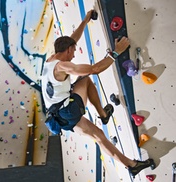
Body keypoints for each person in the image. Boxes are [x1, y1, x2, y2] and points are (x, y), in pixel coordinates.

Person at [41, 10, 155, 178]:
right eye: (73, 51)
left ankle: (131, 165)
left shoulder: (51, 60)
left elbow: (72, 39)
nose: (73, 55)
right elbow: (95, 69)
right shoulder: (63, 66)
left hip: (59, 118)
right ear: (66, 51)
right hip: (67, 110)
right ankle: (103, 114)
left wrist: (86, 20)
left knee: (99, 136)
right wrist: (116, 52)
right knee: (86, 81)